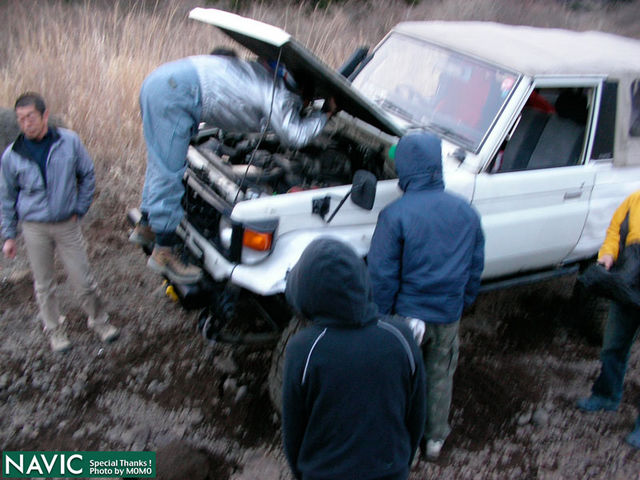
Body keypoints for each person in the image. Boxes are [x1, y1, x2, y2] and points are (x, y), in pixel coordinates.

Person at [130, 49, 336, 284]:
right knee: (170, 170)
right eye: (308, 100)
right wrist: (325, 114)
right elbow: (295, 136)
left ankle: (146, 226)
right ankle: (163, 250)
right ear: (300, 90)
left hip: (163, 82)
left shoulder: (260, 72)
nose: (305, 105)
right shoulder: (277, 93)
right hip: (177, 94)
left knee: (160, 162)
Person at [367, 131, 485, 460]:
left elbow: (381, 274)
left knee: (402, 377)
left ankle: (403, 442)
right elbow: (475, 268)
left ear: (404, 168)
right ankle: (434, 441)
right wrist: (462, 303)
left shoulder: (395, 215)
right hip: (447, 313)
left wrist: (383, 314)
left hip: (407, 317)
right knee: (439, 373)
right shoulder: (467, 213)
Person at [282, 238, 426, 480]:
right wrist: (400, 465)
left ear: (306, 292)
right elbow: (416, 417)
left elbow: (293, 433)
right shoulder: (400, 337)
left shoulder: (304, 350)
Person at [0, 92, 119, 353]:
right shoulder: (12, 155)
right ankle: (55, 330)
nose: (25, 123)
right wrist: (9, 236)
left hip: (67, 224)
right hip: (34, 227)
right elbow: (6, 197)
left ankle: (100, 322)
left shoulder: (69, 142)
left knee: (83, 280)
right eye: (20, 119)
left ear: (44, 115)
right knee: (43, 285)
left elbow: (87, 174)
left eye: (30, 117)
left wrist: (80, 208)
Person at [576, 189, 640, 448]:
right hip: (628, 286)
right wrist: (607, 255)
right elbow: (615, 231)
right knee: (613, 345)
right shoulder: (633, 201)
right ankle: (606, 395)